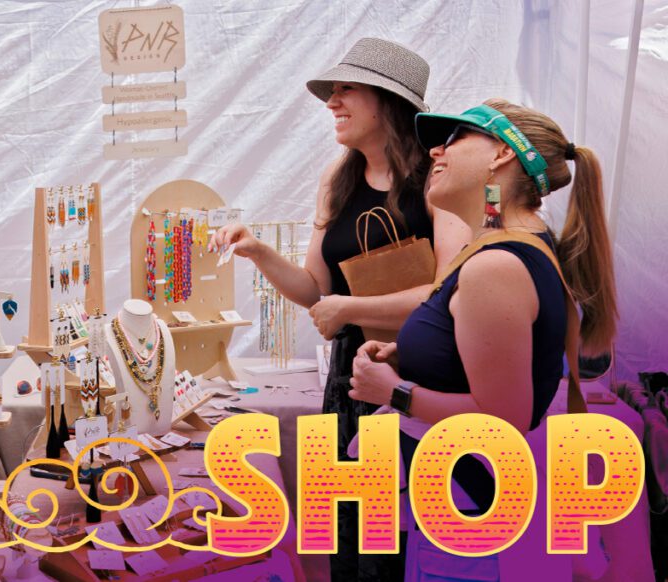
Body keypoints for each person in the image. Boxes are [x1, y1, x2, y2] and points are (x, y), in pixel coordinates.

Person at [349, 99, 645, 579]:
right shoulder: (503, 242)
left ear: (503, 154)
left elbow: (503, 418)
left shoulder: (495, 266)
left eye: (456, 138)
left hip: (474, 513)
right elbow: (505, 354)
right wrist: (414, 353)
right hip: (469, 504)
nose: (436, 152)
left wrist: (393, 392)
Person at [210, 38, 469, 580]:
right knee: (350, 538)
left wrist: (349, 306)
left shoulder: (437, 179)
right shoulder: (338, 179)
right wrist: (257, 250)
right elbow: (314, 290)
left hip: (419, 376)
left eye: (346, 88)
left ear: (388, 100)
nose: (332, 101)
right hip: (351, 380)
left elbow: (451, 291)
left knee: (405, 542)